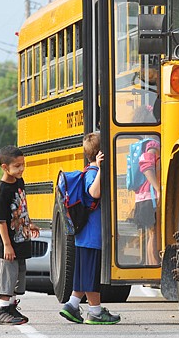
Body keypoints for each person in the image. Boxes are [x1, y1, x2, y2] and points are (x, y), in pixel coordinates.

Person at [59, 133, 121, 325]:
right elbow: (94, 192)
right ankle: (94, 311)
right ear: (101, 153)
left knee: (85, 273)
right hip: (91, 235)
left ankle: (72, 304)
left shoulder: (89, 170)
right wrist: (102, 169)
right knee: (91, 275)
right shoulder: (93, 173)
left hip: (86, 236)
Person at [0, 145, 40, 325]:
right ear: (4, 167)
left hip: (20, 238)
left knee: (17, 277)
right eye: (17, 166)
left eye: (23, 164)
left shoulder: (19, 182)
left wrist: (29, 223)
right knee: (7, 277)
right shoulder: (2, 191)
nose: (21, 168)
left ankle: (10, 307)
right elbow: (1, 221)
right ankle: (1, 310)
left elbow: (21, 206)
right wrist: (7, 245)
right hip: (8, 243)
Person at [133, 138, 161, 265]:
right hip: (150, 196)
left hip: (144, 196)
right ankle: (154, 266)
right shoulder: (153, 145)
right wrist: (157, 189)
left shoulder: (145, 144)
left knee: (151, 234)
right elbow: (146, 166)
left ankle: (151, 266)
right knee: (154, 234)